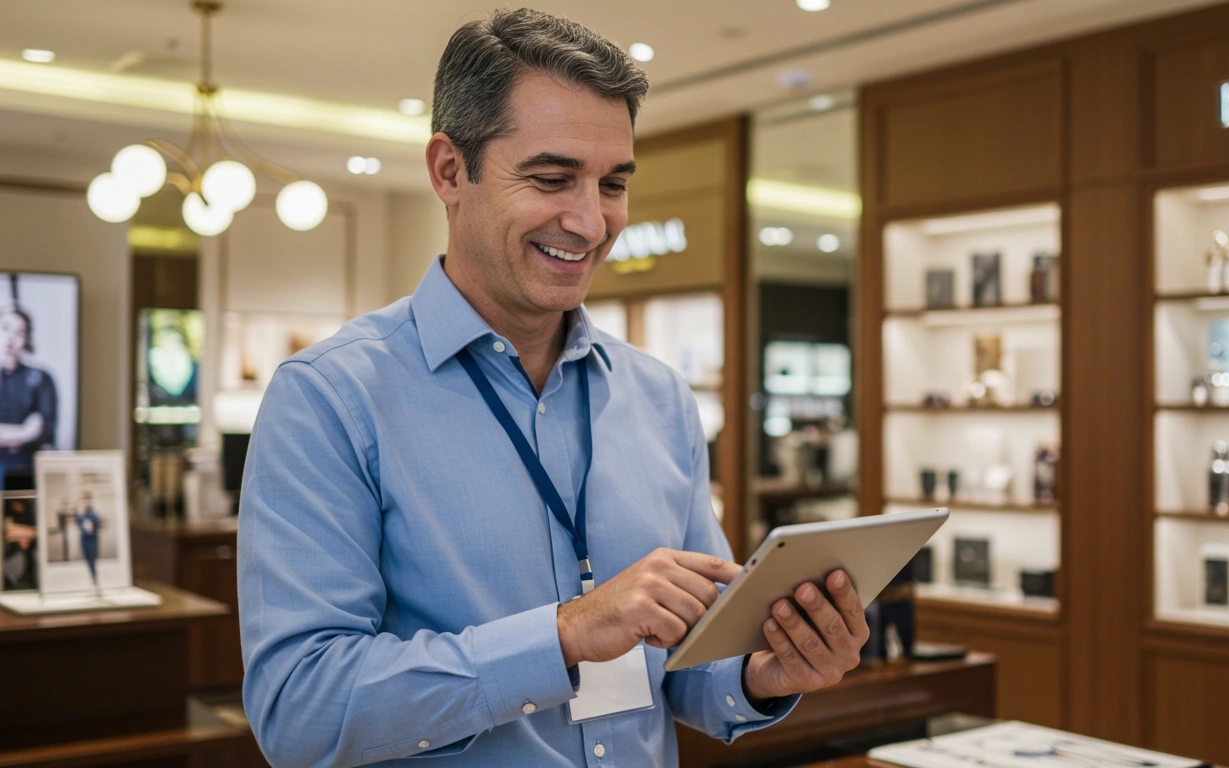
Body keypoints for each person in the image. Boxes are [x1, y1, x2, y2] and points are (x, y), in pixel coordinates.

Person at [238, 9, 867, 768]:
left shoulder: (660, 399)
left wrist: (764, 674)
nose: (591, 220)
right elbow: (298, 710)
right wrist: (563, 634)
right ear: (448, 172)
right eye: (551, 178)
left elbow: (689, 662)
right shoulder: (331, 398)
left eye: (613, 184)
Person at [0, 305, 58, 481]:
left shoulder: (41, 379)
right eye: (5, 328)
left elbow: (43, 431)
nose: (10, 339)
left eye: (19, 333)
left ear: (27, 339)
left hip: (26, 471)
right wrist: (24, 433)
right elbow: (31, 432)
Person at [75, 491, 100, 588]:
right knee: (87, 558)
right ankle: (92, 576)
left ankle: (94, 575)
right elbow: (78, 523)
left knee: (92, 558)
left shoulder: (93, 514)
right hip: (84, 538)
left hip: (92, 538)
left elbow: (97, 524)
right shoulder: (81, 514)